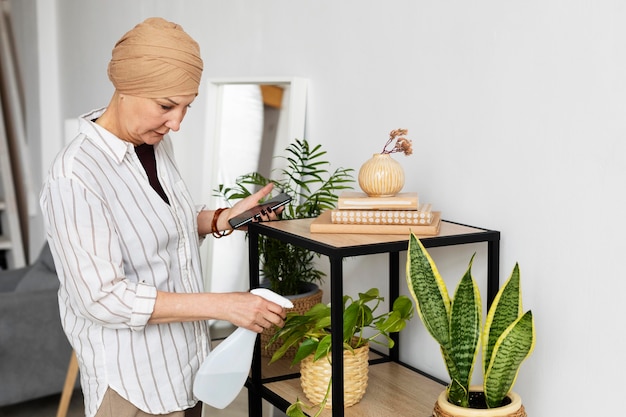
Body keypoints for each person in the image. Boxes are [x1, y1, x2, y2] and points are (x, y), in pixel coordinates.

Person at [39, 17, 287, 417]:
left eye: (187, 106)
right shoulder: (75, 176)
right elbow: (102, 297)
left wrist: (224, 217)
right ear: (126, 88)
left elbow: (163, 220)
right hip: (132, 385)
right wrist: (224, 305)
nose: (177, 123)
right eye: (167, 106)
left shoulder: (154, 145)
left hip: (185, 367)